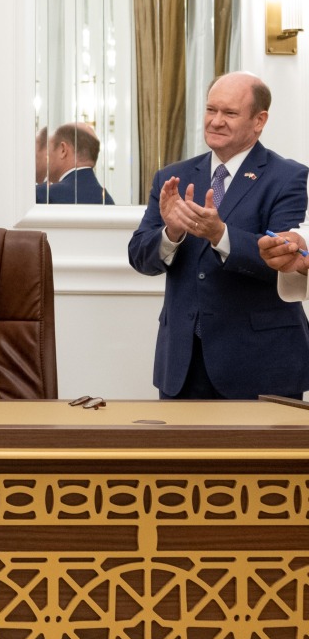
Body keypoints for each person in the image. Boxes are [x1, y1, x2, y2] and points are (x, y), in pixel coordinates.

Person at [127, 71, 309, 399]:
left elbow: (284, 259)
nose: (216, 121)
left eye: (230, 113)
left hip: (261, 363)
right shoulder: (173, 177)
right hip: (182, 365)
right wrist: (172, 232)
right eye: (211, 110)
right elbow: (139, 256)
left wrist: (221, 235)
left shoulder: (288, 177)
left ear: (259, 121)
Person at [35, 121, 115, 204]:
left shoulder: (44, 195)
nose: (46, 156)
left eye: (49, 149)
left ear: (63, 150)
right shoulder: (107, 200)